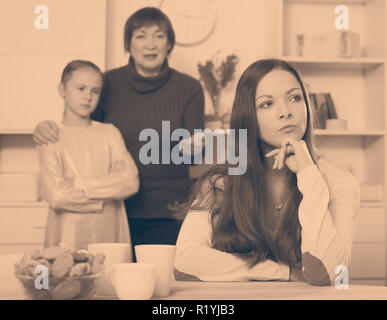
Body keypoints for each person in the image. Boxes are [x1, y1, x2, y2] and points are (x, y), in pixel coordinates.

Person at [173, 59, 360, 286]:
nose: (285, 112)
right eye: (266, 104)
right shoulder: (222, 182)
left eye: (294, 98)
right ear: (247, 116)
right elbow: (185, 262)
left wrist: (309, 175)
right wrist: (284, 272)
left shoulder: (340, 184)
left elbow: (327, 274)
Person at [33, 7, 205, 253]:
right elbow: (81, 123)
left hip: (169, 211)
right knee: (110, 284)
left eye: (159, 35)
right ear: (128, 43)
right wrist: (43, 127)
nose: (150, 45)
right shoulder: (108, 83)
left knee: (162, 283)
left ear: (169, 44)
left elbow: (193, 156)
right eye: (140, 36)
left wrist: (198, 146)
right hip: (114, 209)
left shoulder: (189, 88)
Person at [38, 60, 139, 251]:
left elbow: (131, 182)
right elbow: (56, 195)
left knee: (111, 277)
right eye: (81, 88)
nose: (88, 97)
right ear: (62, 89)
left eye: (95, 91)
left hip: (109, 233)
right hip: (66, 235)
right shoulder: (51, 135)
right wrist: (108, 193)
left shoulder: (109, 132)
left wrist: (79, 184)